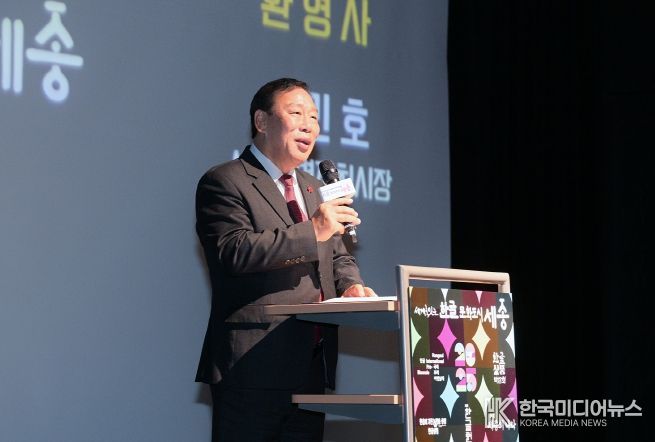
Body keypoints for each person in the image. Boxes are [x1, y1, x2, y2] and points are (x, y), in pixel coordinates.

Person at [195, 77, 376, 442]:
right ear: (261, 121)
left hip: (310, 365)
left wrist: (351, 285)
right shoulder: (225, 180)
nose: (309, 124)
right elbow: (234, 250)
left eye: (314, 117)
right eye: (296, 113)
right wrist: (314, 229)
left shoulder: (314, 188)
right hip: (252, 365)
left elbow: (337, 254)